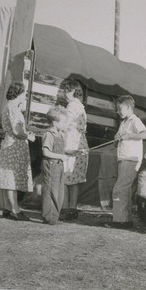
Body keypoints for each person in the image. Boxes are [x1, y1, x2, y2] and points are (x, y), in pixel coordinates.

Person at [0, 82, 35, 221]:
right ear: (19, 93)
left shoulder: (8, 106)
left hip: (9, 143)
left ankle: (8, 208)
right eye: (24, 93)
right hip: (14, 146)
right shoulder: (13, 108)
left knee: (8, 176)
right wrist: (28, 136)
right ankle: (15, 209)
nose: (25, 96)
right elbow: (16, 130)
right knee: (11, 178)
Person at [106, 95, 146, 228]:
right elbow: (118, 143)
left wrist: (128, 135)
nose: (117, 112)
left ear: (128, 107)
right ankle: (125, 219)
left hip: (131, 159)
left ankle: (120, 220)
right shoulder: (124, 122)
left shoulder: (134, 120)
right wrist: (117, 139)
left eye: (120, 109)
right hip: (123, 158)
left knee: (119, 189)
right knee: (125, 190)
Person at [41, 106, 81, 225]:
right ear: (54, 122)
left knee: (59, 191)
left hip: (59, 166)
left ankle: (54, 217)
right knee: (51, 191)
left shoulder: (61, 134)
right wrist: (61, 157)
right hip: (51, 166)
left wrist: (74, 152)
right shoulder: (49, 134)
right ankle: (48, 217)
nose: (65, 124)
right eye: (63, 122)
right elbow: (45, 152)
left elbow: (62, 151)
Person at [62, 78, 89, 221]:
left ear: (72, 91)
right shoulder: (81, 107)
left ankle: (65, 208)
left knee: (65, 177)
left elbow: (65, 124)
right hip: (81, 143)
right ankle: (72, 208)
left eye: (66, 91)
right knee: (75, 179)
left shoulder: (72, 106)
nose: (64, 94)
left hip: (71, 143)